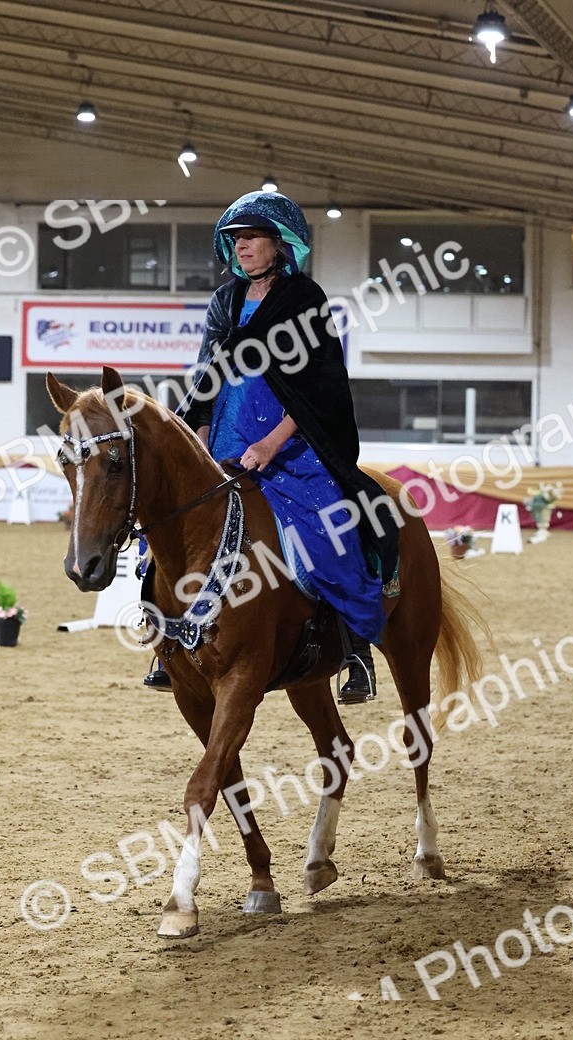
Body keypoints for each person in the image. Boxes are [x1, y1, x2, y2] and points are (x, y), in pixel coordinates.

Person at [145, 190, 399, 701]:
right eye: (235, 239)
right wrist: (196, 441)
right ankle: (167, 643)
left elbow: (318, 390)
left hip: (291, 444)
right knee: (171, 535)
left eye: (252, 238)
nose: (241, 248)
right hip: (225, 437)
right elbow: (206, 379)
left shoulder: (305, 299)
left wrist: (269, 444)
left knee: (330, 530)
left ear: (280, 244)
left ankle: (356, 651)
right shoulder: (224, 301)